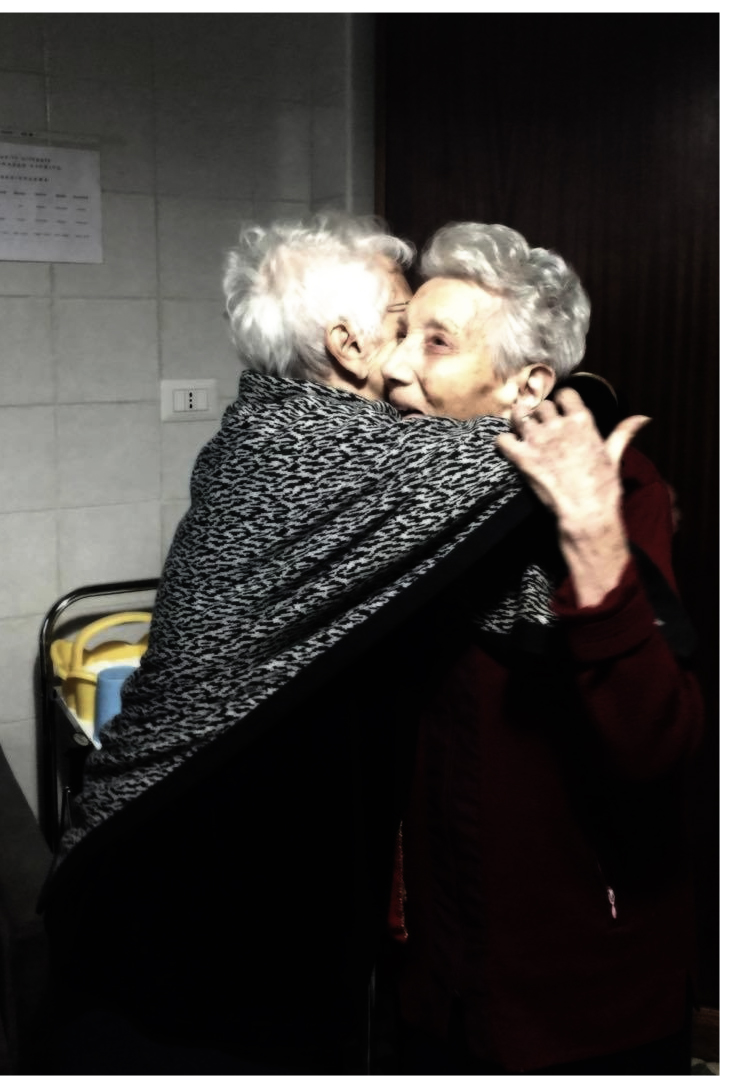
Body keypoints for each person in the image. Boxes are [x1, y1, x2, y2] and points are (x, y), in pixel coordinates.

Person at [40, 214, 549, 1074]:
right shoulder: (324, 445)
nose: (408, 360)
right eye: (403, 325)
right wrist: (572, 398)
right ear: (348, 345)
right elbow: (547, 444)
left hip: (191, 874)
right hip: (176, 879)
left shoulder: (261, 427)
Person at [380, 222, 705, 1074]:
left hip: (583, 993)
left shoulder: (615, 494)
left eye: (436, 343)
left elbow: (655, 743)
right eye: (402, 333)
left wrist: (592, 538)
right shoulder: (399, 503)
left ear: (524, 383)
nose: (395, 366)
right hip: (436, 973)